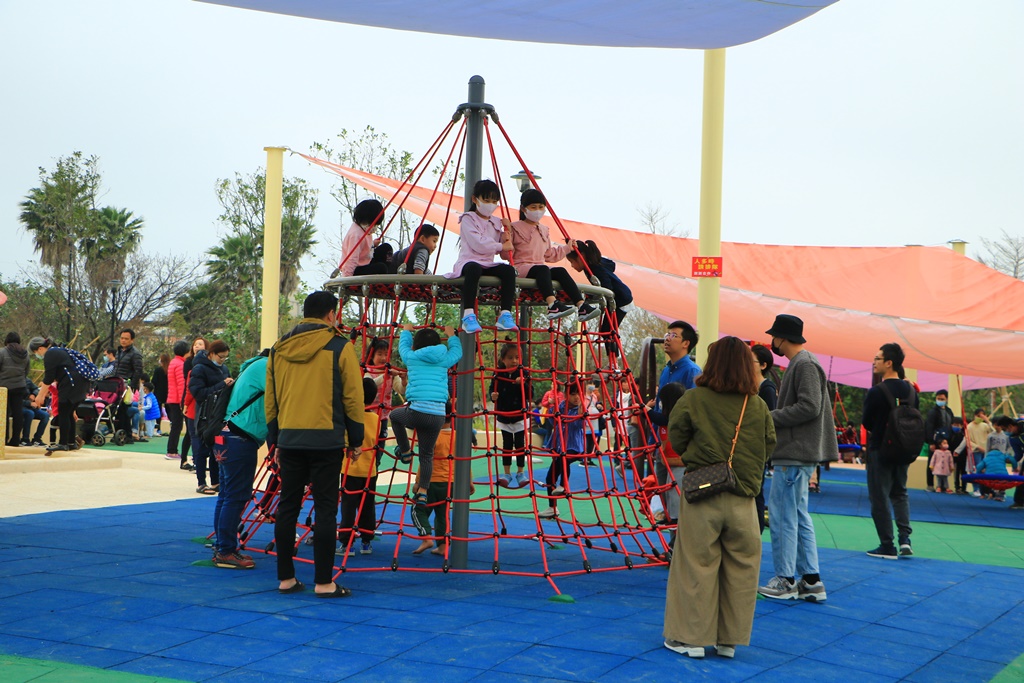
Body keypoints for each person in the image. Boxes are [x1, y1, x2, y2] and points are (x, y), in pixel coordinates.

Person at [663, 337, 776, 660]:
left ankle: (690, 638)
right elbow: (769, 445)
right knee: (741, 569)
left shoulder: (694, 399)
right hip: (744, 499)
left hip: (703, 493)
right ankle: (730, 639)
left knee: (696, 564)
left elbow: (678, 437)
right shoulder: (756, 405)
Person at [267, 290, 364, 598]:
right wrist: (356, 438)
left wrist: (275, 438)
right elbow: (353, 396)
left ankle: (286, 578)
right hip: (326, 439)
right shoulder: (339, 346)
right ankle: (324, 582)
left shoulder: (278, 349)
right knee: (325, 510)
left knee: (287, 507)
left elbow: (272, 399)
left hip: (290, 437)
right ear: (331, 315)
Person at [757, 314, 836, 602]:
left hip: (795, 451)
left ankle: (786, 579)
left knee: (783, 516)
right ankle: (810, 581)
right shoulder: (803, 363)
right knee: (797, 515)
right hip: (800, 452)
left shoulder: (803, 364)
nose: (771, 342)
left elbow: (810, 406)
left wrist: (769, 416)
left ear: (782, 337)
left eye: (773, 337)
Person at [391, 323, 462, 507]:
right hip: (438, 416)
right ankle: (423, 491)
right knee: (427, 455)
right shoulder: (444, 358)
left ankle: (405, 451)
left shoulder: (412, 357)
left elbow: (402, 348)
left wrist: (406, 331)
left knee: (395, 416)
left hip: (417, 412)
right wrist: (452, 335)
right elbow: (457, 353)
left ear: (416, 345)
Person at [209, 348, 268, 569]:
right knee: (236, 496)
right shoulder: (266, 367)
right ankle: (226, 551)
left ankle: (222, 545)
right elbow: (281, 397)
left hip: (226, 434)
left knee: (226, 494)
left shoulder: (252, 366)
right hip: (239, 438)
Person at [861, 342, 918, 559]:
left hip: (880, 450)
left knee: (879, 496)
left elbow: (867, 423)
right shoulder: (911, 391)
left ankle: (887, 545)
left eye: (877, 358)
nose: (874, 362)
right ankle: (905, 539)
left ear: (889, 362)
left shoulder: (877, 391)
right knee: (900, 492)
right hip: (904, 451)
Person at [508, 189, 599, 322]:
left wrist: (567, 248)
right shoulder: (514, 228)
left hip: (539, 268)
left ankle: (581, 305)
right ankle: (552, 305)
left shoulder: (544, 230)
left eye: (540, 207)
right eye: (533, 207)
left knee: (560, 271)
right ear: (523, 208)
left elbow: (550, 255)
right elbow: (506, 254)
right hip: (521, 267)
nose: (537, 210)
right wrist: (506, 240)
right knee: (543, 269)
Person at [446, 179, 518, 335]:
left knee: (508, 271)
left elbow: (505, 253)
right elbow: (478, 244)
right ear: (474, 199)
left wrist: (508, 236)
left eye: (494, 201)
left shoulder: (496, 222)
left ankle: (505, 313)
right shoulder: (467, 219)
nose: (490, 205)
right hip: (468, 262)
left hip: (487, 264)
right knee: (473, 269)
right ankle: (468, 315)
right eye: (486, 200)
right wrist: (501, 245)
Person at [566, 239, 633, 359]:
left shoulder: (595, 268)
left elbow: (606, 287)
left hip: (621, 300)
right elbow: (611, 265)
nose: (572, 266)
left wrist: (593, 295)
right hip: (621, 298)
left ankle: (614, 363)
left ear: (581, 256)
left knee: (607, 330)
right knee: (607, 330)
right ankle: (613, 361)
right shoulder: (595, 264)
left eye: (572, 262)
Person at [338, 377, 382, 558]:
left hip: (350, 469)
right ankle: (366, 541)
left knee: (348, 507)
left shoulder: (349, 417)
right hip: (370, 471)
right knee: (367, 506)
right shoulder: (376, 419)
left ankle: (346, 543)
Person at [28, 337, 88, 453]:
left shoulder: (50, 353)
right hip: (81, 383)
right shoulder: (59, 350)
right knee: (69, 412)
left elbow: (49, 377)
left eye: (35, 353)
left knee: (63, 412)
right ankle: (71, 443)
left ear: (40, 349)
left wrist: (40, 395)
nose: (37, 355)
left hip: (70, 384)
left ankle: (63, 443)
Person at [188, 340, 232, 495]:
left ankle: (216, 481)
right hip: (203, 415)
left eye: (225, 358)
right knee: (201, 449)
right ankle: (201, 482)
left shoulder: (224, 369)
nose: (223, 360)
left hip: (218, 415)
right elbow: (198, 393)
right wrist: (221, 385)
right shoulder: (199, 368)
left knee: (216, 449)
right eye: (221, 357)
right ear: (211, 354)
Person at [412, 407, 457, 556]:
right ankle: (443, 546)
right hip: (450, 482)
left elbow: (425, 461)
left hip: (430, 482)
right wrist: (469, 481)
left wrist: (418, 482)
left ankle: (426, 537)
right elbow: (464, 462)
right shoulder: (458, 436)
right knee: (442, 514)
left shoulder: (432, 435)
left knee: (417, 509)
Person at [540, 383, 584, 519]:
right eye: (572, 394)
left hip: (574, 446)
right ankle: (552, 507)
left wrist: (580, 412)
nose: (576, 397)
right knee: (549, 477)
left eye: (578, 394)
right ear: (566, 394)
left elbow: (578, 424)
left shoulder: (580, 408)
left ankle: (564, 485)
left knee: (565, 459)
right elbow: (554, 421)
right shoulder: (563, 405)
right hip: (560, 445)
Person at [490, 343, 531, 488]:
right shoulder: (498, 374)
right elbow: (492, 390)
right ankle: (506, 473)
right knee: (507, 445)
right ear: (503, 359)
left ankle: (520, 472)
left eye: (517, 357)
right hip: (504, 415)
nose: (514, 361)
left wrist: (522, 384)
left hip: (519, 415)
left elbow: (530, 394)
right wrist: (493, 396)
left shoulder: (523, 373)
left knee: (520, 445)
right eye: (510, 358)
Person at [752, 343, 777, 532]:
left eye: (750, 360)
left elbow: (768, 419)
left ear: (763, 365)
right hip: (748, 445)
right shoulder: (747, 385)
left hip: (757, 447)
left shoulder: (766, 388)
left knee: (756, 491)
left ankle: (758, 528)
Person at [340, 198, 387, 277]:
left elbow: (363, 248)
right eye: (373, 224)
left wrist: (373, 244)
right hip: (356, 269)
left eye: (376, 225)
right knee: (381, 268)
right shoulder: (356, 235)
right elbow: (352, 259)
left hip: (365, 262)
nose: (374, 228)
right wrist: (347, 279)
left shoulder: (364, 230)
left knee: (385, 248)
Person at [112, 328, 145, 444]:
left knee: (124, 411)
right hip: (116, 385)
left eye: (126, 339)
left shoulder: (135, 354)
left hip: (127, 386)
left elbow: (138, 371)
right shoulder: (119, 351)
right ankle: (120, 433)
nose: (123, 340)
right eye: (122, 338)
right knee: (117, 411)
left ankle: (127, 435)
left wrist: (131, 385)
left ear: (132, 340)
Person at [0, 332, 30, 447]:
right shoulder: (25, 354)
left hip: (3, 387)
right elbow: (26, 371)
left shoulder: (2, 352)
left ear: (7, 340)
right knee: (18, 413)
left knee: (4, 414)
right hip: (19, 386)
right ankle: (16, 439)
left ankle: (3, 439)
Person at [181, 338, 207, 468]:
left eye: (200, 344)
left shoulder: (200, 369)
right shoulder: (189, 364)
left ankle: (197, 461)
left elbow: (189, 388)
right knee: (192, 434)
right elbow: (188, 387)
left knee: (194, 434)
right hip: (192, 403)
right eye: (195, 344)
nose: (197, 346)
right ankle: (188, 459)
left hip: (194, 404)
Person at [165, 341, 191, 467]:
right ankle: (172, 451)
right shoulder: (181, 364)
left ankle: (172, 450)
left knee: (176, 425)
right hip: (177, 400)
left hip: (172, 398)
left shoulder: (173, 362)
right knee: (177, 426)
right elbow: (182, 385)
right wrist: (183, 401)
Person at [923, 389, 953, 492]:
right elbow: (929, 427)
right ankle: (930, 484)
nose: (940, 400)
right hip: (935, 441)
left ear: (947, 399)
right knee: (932, 463)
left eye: (942, 399)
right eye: (938, 399)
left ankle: (943, 485)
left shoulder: (949, 412)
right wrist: (931, 442)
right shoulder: (932, 412)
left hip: (946, 442)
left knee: (946, 463)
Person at [966, 409, 994, 497]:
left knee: (985, 470)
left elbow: (994, 432)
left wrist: (987, 421)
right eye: (978, 416)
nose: (980, 418)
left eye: (982, 415)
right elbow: (968, 440)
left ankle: (984, 490)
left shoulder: (985, 426)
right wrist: (978, 447)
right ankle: (976, 489)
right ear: (974, 415)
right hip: (976, 451)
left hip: (986, 452)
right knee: (976, 469)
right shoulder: (969, 427)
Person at [21, 377, 49, 446]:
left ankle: (37, 439)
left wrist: (34, 394)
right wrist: (29, 403)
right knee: (30, 413)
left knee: (45, 415)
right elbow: (14, 399)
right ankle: (25, 439)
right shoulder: (14, 382)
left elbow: (36, 389)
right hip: (20, 406)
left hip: (30, 406)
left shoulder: (27, 380)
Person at [152, 353, 170, 435]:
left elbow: (154, 382)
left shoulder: (158, 370)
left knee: (158, 410)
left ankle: (158, 428)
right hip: (169, 393)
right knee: (169, 410)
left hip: (158, 393)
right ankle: (172, 427)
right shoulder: (170, 370)